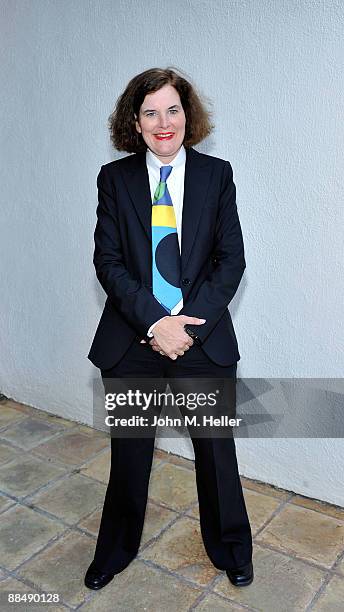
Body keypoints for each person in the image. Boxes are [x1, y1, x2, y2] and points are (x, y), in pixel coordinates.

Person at [85, 67, 253, 590]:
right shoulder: (114, 181)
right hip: (135, 338)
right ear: (134, 123)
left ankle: (231, 549)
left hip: (200, 337)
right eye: (150, 112)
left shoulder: (216, 175)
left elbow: (231, 261)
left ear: (187, 115)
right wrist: (157, 322)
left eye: (172, 109)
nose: (164, 122)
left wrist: (188, 328)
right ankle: (115, 550)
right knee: (130, 454)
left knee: (216, 451)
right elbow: (108, 262)